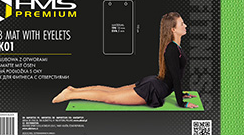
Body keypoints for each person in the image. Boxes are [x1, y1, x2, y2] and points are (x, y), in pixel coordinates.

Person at [51, 12, 192, 107]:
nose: (185, 26)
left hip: (155, 83)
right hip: (154, 88)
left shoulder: (174, 47)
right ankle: (70, 94)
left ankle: (73, 90)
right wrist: (181, 103)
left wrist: (181, 93)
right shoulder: (172, 49)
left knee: (114, 91)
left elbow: (174, 75)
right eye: (182, 24)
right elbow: (175, 77)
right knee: (111, 97)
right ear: (173, 29)